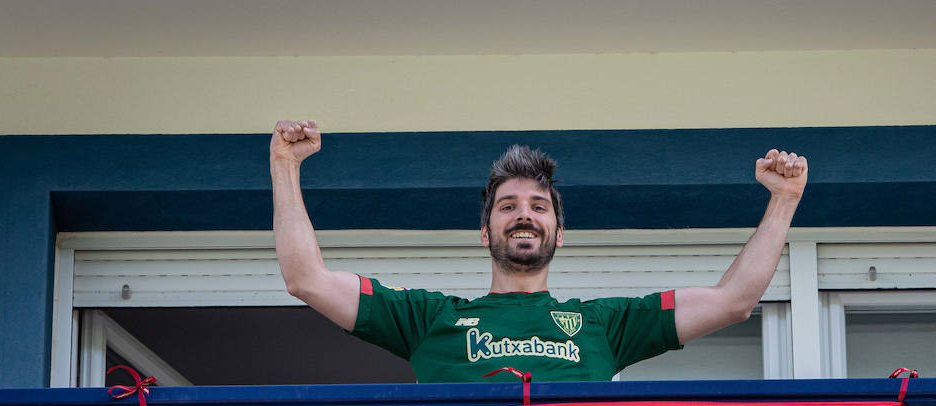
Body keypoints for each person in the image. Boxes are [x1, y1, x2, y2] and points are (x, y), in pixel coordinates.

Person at [270, 120, 808, 383]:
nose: (523, 214)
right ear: (485, 233)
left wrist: (783, 202)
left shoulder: (605, 325)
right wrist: (285, 166)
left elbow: (734, 301)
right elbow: (306, 279)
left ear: (558, 232)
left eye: (538, 206)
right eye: (506, 207)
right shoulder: (429, 319)